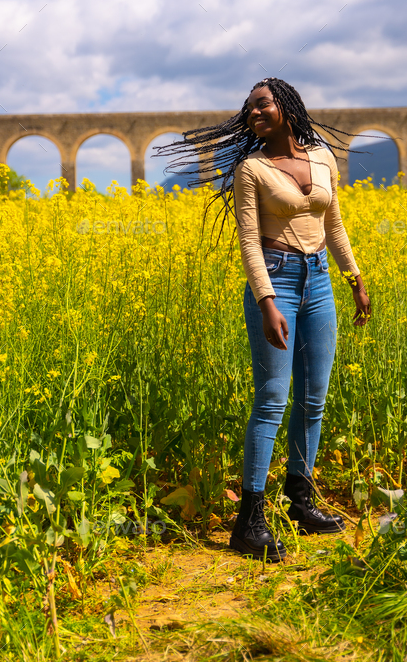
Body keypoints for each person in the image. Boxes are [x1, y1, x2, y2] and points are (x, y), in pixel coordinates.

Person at [154, 77, 371, 562]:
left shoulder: (322, 158)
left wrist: (354, 277)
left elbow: (334, 224)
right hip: (276, 281)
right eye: (248, 108)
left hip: (318, 280)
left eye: (262, 104)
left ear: (287, 106)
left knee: (313, 399)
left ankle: (301, 503)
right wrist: (266, 300)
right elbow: (249, 241)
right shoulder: (250, 169)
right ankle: (248, 522)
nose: (253, 113)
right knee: (272, 399)